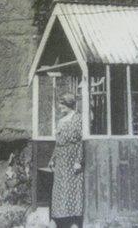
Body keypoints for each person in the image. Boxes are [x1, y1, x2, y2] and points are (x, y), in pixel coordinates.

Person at [49, 93, 84, 228]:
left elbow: (81, 141)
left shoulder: (78, 119)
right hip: (61, 159)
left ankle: (74, 222)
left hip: (72, 158)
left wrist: (78, 160)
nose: (59, 107)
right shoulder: (61, 121)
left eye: (62, 104)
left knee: (73, 190)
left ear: (69, 104)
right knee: (59, 190)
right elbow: (58, 143)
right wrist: (53, 159)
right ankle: (58, 220)